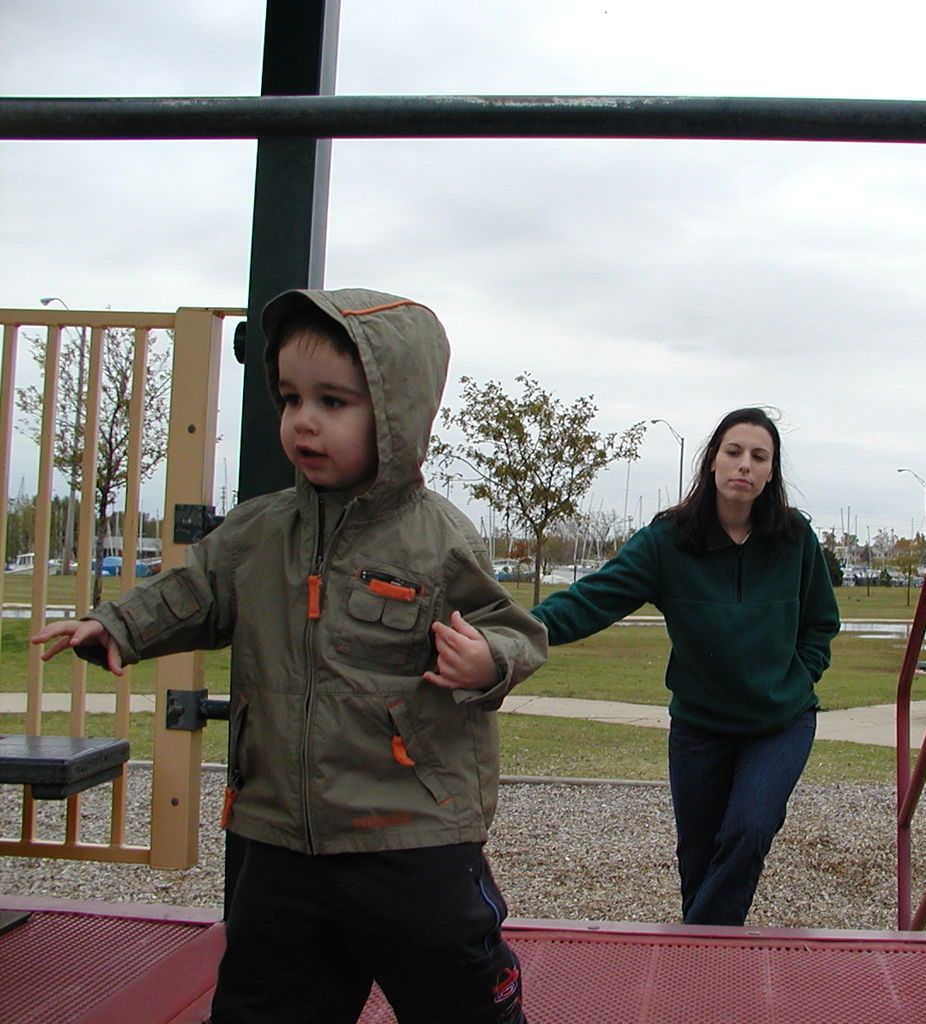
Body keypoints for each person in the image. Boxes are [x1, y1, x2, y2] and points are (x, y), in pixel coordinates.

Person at [31, 287, 547, 1024]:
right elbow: (196, 590)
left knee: (457, 995)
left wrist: (486, 660)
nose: (304, 420)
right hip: (278, 835)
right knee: (266, 1000)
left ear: (396, 418)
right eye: (290, 398)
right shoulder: (259, 529)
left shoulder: (436, 538)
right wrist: (117, 625)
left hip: (410, 831)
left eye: (333, 401)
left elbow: (514, 630)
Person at [532, 407, 839, 926]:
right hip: (700, 727)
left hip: (779, 723)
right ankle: (704, 961)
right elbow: (591, 600)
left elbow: (820, 624)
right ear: (713, 462)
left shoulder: (794, 539)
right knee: (697, 859)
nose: (744, 465)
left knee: (748, 829)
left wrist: (798, 678)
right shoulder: (668, 541)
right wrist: (514, 635)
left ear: (771, 471)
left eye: (758, 456)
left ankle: (700, 960)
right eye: (733, 452)